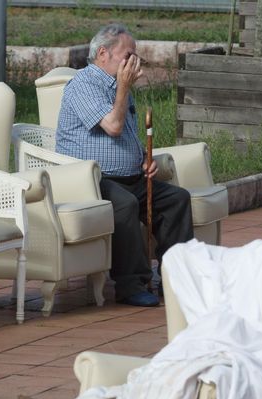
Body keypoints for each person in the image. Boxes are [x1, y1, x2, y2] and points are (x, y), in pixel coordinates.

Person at [56, 23, 193, 307]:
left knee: (177, 199)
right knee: (125, 204)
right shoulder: (83, 85)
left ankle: (175, 277)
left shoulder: (119, 87)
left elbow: (128, 135)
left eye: (135, 56)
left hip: (129, 176)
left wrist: (144, 158)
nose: (134, 62)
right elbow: (114, 127)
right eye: (128, 55)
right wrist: (123, 87)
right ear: (103, 53)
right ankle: (130, 285)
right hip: (91, 181)